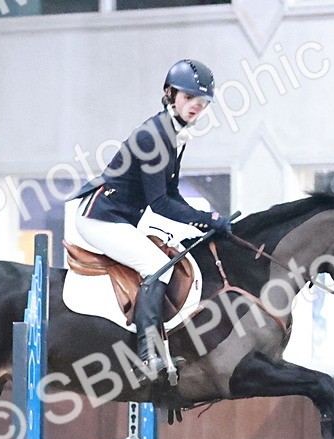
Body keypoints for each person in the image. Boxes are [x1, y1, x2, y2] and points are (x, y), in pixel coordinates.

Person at [72, 59, 233, 385]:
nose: (196, 107)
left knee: (172, 251)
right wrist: (207, 218)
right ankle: (147, 353)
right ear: (170, 94)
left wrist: (202, 221)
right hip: (100, 218)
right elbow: (160, 205)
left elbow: (170, 194)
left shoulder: (174, 134)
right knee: (159, 265)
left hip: (125, 218)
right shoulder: (154, 135)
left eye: (202, 103)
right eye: (190, 99)